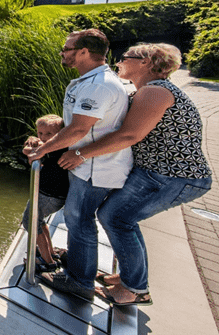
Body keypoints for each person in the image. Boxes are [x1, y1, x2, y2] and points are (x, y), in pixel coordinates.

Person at [58, 43, 212, 306]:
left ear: (146, 63)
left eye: (126, 57)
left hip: (173, 176)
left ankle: (135, 290)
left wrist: (81, 154)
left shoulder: (156, 92)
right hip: (156, 173)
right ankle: (130, 279)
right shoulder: (147, 90)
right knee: (119, 217)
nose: (119, 61)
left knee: (117, 218)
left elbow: (130, 135)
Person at [27, 29, 133, 301]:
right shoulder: (93, 80)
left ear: (84, 52)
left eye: (67, 48)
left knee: (80, 222)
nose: (62, 52)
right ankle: (78, 266)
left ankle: (80, 281)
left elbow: (78, 130)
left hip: (94, 168)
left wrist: (42, 151)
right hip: (88, 165)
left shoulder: (98, 85)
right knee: (78, 221)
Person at [20, 114, 68, 272]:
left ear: (60, 134)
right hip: (51, 195)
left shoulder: (55, 148)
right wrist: (36, 140)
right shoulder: (60, 145)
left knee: (30, 222)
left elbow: (27, 150)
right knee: (39, 222)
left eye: (49, 134)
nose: (43, 137)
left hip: (48, 195)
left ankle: (48, 263)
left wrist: (33, 143)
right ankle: (49, 253)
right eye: (40, 133)